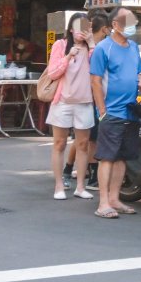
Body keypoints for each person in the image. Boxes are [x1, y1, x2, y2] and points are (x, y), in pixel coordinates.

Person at [89, 7, 141, 219]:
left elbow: (140, 72)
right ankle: (103, 202)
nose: (132, 26)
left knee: (122, 157)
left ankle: (114, 198)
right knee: (107, 157)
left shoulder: (133, 47)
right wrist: (102, 111)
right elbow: (95, 81)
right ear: (114, 25)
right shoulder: (103, 48)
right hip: (112, 112)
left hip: (131, 110)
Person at [47, 13, 94, 201]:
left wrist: (91, 45)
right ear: (71, 29)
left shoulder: (92, 48)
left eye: (86, 28)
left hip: (84, 102)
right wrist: (67, 57)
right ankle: (59, 185)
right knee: (59, 143)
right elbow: (53, 73)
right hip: (62, 102)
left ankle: (80, 186)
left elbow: (98, 70)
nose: (82, 32)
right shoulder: (60, 45)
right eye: (78, 27)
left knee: (83, 145)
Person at [64, 12, 111, 192]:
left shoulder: (97, 46)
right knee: (88, 139)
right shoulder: (85, 46)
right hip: (87, 97)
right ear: (105, 28)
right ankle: (89, 175)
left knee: (84, 138)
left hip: (93, 97)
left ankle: (71, 169)